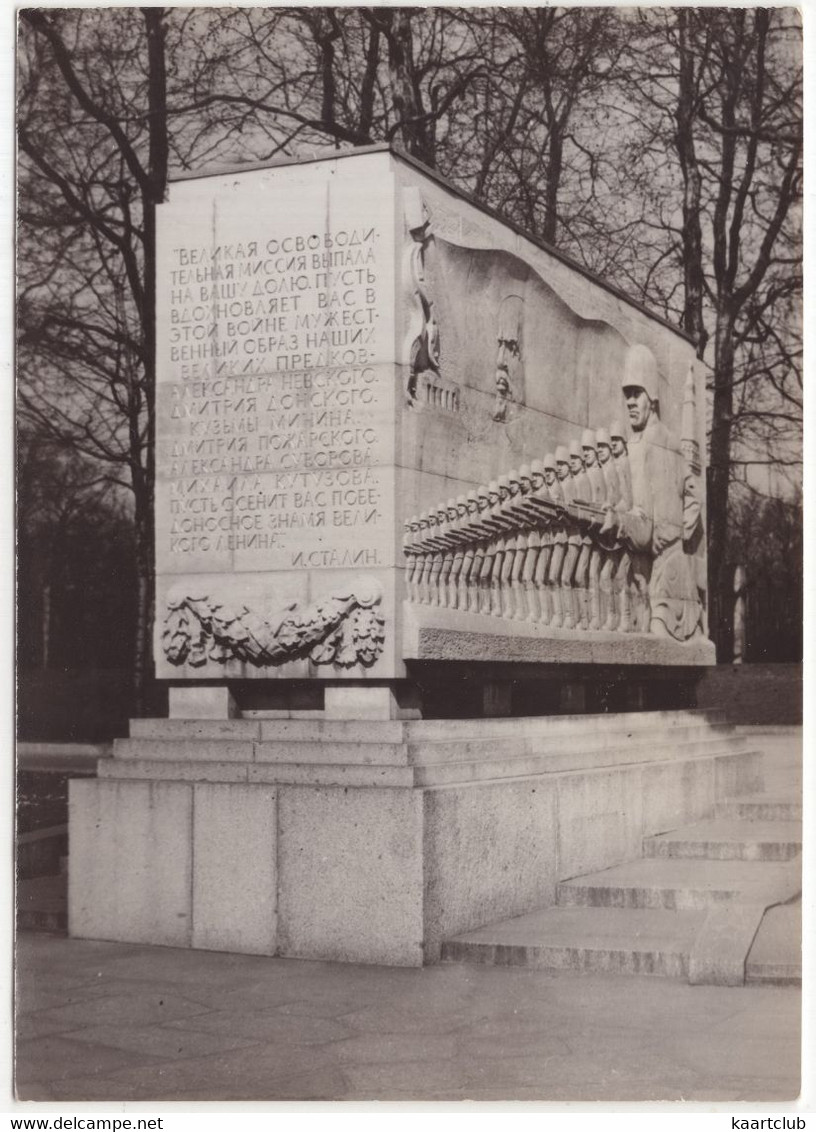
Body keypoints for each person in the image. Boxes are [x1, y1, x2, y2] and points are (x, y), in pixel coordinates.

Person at [601, 344, 702, 640]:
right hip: (645, 570)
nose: (630, 402)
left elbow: (692, 495)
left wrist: (678, 531)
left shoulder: (668, 442)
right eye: (627, 395)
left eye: (637, 394)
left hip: (670, 573)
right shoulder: (633, 447)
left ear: (652, 398)